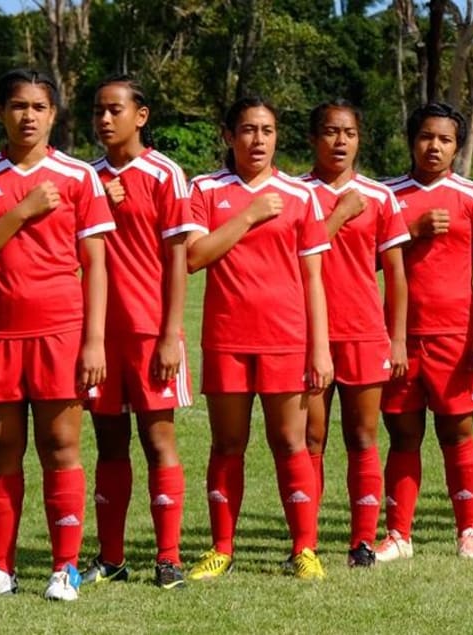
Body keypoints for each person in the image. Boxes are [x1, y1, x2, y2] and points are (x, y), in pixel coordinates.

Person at [0, 69, 113, 601]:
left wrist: (94, 341)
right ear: (0, 111)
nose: (28, 116)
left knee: (60, 446)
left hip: (60, 332)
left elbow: (96, 264)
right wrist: (23, 210)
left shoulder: (78, 176)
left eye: (39, 107)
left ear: (54, 115)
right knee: (1, 450)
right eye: (18, 105)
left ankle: (64, 569)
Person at [185, 96, 333, 581]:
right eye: (248, 130)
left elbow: (313, 277)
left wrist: (320, 348)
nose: (258, 140)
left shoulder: (300, 194)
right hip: (226, 338)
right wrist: (248, 216)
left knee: (290, 442)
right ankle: (221, 549)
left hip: (286, 339)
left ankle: (304, 549)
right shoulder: (205, 189)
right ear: (229, 136)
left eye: (267, 130)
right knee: (228, 443)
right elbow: (194, 256)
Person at [82, 75, 194, 590]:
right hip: (100, 335)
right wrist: (100, 202)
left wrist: (171, 334)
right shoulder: (86, 178)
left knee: (157, 439)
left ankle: (168, 558)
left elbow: (179, 259)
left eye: (115, 109)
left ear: (140, 116)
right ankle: (111, 557)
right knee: (109, 443)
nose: (105, 119)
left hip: (151, 332)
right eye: (98, 111)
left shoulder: (165, 174)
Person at [379, 102, 473, 561]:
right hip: (399, 336)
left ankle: (468, 530)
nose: (435, 146)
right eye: (426, 137)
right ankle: (399, 534)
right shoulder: (387, 196)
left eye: (445, 139)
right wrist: (411, 230)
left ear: (458, 146)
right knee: (403, 435)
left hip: (456, 336)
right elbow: (364, 260)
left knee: (457, 434)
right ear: (412, 140)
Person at [300, 100, 410, 567]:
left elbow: (396, 274)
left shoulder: (380, 196)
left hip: (365, 333)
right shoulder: (296, 194)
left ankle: (362, 541)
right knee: (311, 438)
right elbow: (293, 259)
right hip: (308, 335)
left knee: (363, 437)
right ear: (313, 139)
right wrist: (341, 214)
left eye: (349, 133)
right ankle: (305, 543)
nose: (340, 141)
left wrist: (397, 338)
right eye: (330, 131)